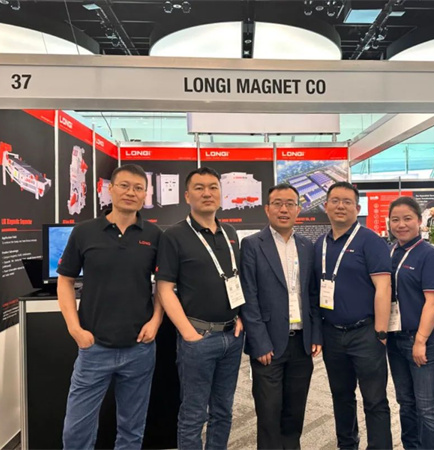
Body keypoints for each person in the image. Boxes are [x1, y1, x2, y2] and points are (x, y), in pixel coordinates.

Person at [57, 164, 163, 450]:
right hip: (94, 347)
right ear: (111, 189)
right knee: (76, 433)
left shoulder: (155, 235)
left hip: (139, 348)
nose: (131, 192)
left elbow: (164, 285)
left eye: (138, 188)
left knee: (131, 431)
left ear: (145, 195)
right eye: (124, 185)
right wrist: (75, 329)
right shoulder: (84, 232)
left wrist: (155, 321)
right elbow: (65, 280)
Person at [156, 167, 244, 450]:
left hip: (232, 337)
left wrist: (240, 315)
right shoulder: (174, 235)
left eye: (213, 187)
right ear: (187, 196)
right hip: (198, 338)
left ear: (220, 193)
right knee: (194, 414)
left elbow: (235, 279)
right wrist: (188, 333)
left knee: (223, 410)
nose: (207, 193)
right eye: (199, 188)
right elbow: (164, 289)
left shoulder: (230, 233)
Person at [240, 183, 322, 449]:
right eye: (277, 203)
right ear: (267, 209)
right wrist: (259, 342)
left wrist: (316, 334)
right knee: (269, 414)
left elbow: (312, 294)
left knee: (294, 414)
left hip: (302, 343)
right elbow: (249, 296)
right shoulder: (252, 244)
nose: (283, 209)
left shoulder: (306, 246)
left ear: (298, 209)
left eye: (290, 204)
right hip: (269, 345)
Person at [314, 181, 393, 450]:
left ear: (357, 208)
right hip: (332, 334)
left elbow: (383, 287)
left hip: (366, 333)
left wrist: (380, 332)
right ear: (326, 206)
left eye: (347, 202)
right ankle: (347, 445)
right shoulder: (320, 244)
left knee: (374, 400)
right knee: (341, 396)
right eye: (335, 201)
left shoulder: (370, 241)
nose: (341, 206)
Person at [387, 197, 434, 450]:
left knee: (428, 407)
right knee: (406, 403)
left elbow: (433, 302)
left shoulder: (429, 255)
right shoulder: (390, 251)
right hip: (396, 338)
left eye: (407, 219)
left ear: (419, 221)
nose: (401, 224)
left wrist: (420, 340)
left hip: (426, 340)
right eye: (395, 219)